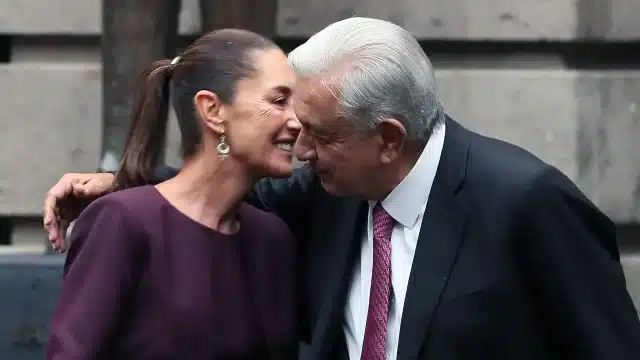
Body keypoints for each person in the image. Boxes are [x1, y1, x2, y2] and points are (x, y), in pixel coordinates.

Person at [44, 18, 640, 360]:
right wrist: (123, 187)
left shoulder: (526, 202)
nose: (301, 151)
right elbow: (209, 199)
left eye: (321, 137)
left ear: (387, 139)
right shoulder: (326, 192)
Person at [45, 29, 300, 360]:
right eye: (279, 101)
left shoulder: (272, 238)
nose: (297, 122)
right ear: (212, 110)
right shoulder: (122, 222)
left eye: (297, 104)